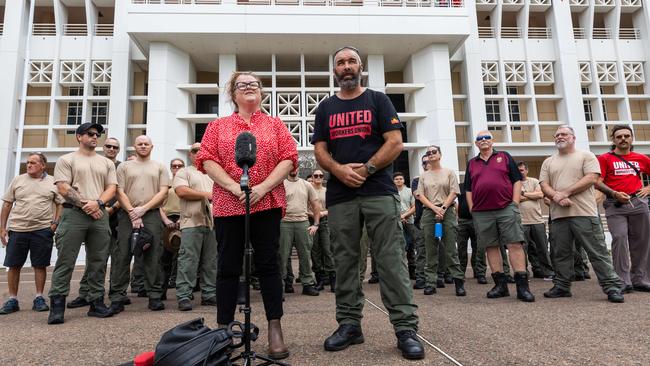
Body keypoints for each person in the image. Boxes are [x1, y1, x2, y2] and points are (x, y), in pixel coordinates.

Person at [313, 46, 424, 360]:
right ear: (334, 70)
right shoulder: (326, 108)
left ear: (360, 67)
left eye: (351, 61)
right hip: (341, 195)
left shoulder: (378, 99)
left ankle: (405, 329)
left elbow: (395, 142)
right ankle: (349, 325)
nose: (346, 66)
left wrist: (367, 169)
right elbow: (320, 149)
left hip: (377, 190)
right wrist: (336, 170)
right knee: (346, 261)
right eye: (340, 62)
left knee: (391, 261)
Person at [196, 71, 297, 360]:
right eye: (242, 85)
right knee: (227, 266)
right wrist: (232, 186)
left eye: (254, 84)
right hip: (230, 203)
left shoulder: (275, 125)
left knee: (268, 266)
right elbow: (207, 159)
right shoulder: (218, 126)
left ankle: (274, 326)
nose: (249, 87)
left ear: (262, 92)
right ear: (233, 93)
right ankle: (223, 329)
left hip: (267, 203)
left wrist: (263, 188)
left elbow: (289, 158)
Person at [539, 125, 624, 303]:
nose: (559, 137)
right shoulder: (548, 161)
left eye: (564, 134)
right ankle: (562, 286)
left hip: (584, 213)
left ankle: (612, 287)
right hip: (558, 215)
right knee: (560, 253)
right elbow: (544, 185)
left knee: (597, 252)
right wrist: (556, 196)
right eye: (557, 135)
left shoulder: (586, 156)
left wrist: (565, 193)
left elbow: (592, 178)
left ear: (573, 137)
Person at [48, 122, 117, 324]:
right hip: (73, 215)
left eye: (97, 134)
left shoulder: (106, 163)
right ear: (79, 136)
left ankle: (96, 304)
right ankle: (57, 308)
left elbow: (112, 188)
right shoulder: (66, 159)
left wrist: (98, 203)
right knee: (65, 261)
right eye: (90, 133)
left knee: (98, 261)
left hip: (99, 214)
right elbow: (62, 187)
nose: (95, 137)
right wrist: (86, 205)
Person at [464, 130, 534, 302]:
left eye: (487, 138)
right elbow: (468, 188)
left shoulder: (504, 156)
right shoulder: (472, 163)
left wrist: (515, 202)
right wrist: (473, 208)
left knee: (514, 243)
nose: (484, 140)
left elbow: (516, 180)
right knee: (491, 246)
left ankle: (522, 287)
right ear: (476, 143)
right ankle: (500, 285)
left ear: (492, 141)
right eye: (480, 139)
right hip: (482, 212)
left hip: (505, 208)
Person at [109, 135, 169, 313]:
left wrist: (144, 209)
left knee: (154, 255)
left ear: (152, 146)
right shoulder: (124, 167)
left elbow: (163, 191)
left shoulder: (159, 167)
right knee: (123, 255)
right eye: (139, 144)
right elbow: (119, 191)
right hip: (128, 214)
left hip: (151, 214)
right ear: (134, 146)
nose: (143, 146)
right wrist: (132, 212)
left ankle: (155, 295)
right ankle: (117, 297)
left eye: (146, 144)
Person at [0, 153, 63, 315]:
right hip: (18, 228)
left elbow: (60, 204)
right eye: (27, 162)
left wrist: (54, 224)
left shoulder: (53, 182)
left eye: (33, 163)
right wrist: (2, 228)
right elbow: (7, 204)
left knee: (39, 264)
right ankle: (13, 299)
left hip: (42, 230)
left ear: (43, 165)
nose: (29, 165)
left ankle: (39, 298)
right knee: (13, 265)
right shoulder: (18, 180)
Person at [67, 137, 123, 309]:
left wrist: (111, 208)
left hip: (116, 217)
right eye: (108, 146)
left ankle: (115, 294)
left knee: (118, 259)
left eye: (115, 147)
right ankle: (86, 294)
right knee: (95, 259)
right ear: (103, 147)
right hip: (93, 215)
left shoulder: (121, 167)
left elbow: (123, 192)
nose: (111, 149)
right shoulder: (94, 163)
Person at [596, 124, 650, 293]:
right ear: (613, 140)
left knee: (642, 242)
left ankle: (640, 279)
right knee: (619, 238)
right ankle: (622, 281)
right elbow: (597, 181)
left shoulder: (641, 158)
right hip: (615, 204)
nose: (623, 139)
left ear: (631, 138)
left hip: (638, 202)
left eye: (627, 136)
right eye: (619, 137)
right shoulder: (605, 158)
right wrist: (613, 193)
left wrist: (648, 188)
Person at [415, 145, 466, 296]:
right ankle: (430, 282)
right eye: (428, 153)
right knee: (431, 249)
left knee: (450, 249)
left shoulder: (449, 172)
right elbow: (420, 195)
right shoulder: (423, 176)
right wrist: (434, 208)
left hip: (447, 212)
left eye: (433, 152)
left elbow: (454, 192)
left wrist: (442, 208)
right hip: (430, 213)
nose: (431, 155)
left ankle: (458, 281)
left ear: (440, 154)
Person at [174, 143, 218, 311]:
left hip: (212, 223)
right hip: (191, 222)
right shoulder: (184, 172)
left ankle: (209, 294)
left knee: (211, 261)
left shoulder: (213, 173)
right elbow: (181, 191)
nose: (198, 152)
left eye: (202, 150)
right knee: (188, 260)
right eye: (194, 150)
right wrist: (207, 195)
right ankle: (184, 295)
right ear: (190, 155)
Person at [279, 167, 322, 296]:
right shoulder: (280, 184)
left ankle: (308, 284)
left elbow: (315, 204)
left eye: (295, 166)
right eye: (291, 166)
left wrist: (316, 224)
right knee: (282, 256)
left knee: (305, 255)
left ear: (298, 168)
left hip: (303, 223)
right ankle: (280, 285)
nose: (293, 169)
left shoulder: (306, 184)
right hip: (284, 223)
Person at [517, 161, 554, 280]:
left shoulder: (534, 181)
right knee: (523, 250)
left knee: (542, 248)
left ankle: (546, 272)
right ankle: (524, 273)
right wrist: (531, 195)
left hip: (537, 220)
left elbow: (540, 195)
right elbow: (515, 198)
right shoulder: (513, 183)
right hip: (521, 222)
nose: (520, 172)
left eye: (522, 170)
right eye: (518, 170)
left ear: (526, 170)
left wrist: (523, 193)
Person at [158, 158, 184, 299]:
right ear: (170, 168)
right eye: (174, 166)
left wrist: (182, 219)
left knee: (183, 258)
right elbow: (159, 204)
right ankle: (162, 291)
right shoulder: (165, 184)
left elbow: (188, 203)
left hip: (183, 219)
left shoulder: (186, 182)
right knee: (165, 258)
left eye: (180, 165)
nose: (177, 168)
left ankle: (183, 292)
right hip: (166, 220)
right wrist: (166, 220)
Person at [310, 169, 336, 292]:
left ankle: (333, 281)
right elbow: (304, 207)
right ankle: (320, 280)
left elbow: (333, 206)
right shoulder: (309, 190)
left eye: (321, 175)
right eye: (316, 175)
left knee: (328, 250)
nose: (318, 177)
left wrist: (323, 213)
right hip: (311, 222)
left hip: (325, 222)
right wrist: (315, 215)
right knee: (315, 251)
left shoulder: (327, 191)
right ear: (313, 177)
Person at [394, 172, 419, 281]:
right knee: (398, 248)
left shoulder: (409, 191)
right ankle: (400, 272)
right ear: (393, 181)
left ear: (404, 180)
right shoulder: (391, 192)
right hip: (395, 222)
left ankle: (412, 271)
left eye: (400, 178)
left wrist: (404, 215)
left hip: (409, 222)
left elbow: (414, 207)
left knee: (411, 247)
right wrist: (398, 217)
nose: (399, 180)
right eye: (396, 179)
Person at [410, 155, 429, 289]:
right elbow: (418, 195)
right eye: (424, 163)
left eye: (428, 162)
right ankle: (421, 277)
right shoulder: (417, 180)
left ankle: (440, 275)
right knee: (421, 249)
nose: (426, 164)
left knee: (440, 247)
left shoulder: (445, 175)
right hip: (422, 221)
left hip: (439, 219)